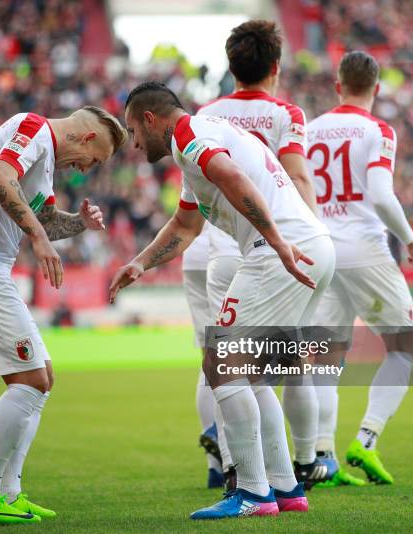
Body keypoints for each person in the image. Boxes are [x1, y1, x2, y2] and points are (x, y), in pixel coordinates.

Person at [111, 82, 334, 519]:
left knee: (221, 363)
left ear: (150, 119)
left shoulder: (188, 135)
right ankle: (286, 488)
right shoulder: (202, 139)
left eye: (133, 131)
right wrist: (140, 263)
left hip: (281, 254)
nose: (134, 144)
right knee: (252, 375)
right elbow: (184, 226)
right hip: (312, 248)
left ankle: (252, 492)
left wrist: (276, 242)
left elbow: (234, 178)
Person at [0, 106, 127, 525]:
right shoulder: (33, 127)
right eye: (94, 160)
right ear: (88, 138)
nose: (86, 168)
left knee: (44, 376)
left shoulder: (42, 162)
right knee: (31, 380)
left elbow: (43, 218)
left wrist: (79, 224)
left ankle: (9, 492)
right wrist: (39, 239)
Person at [198, 19, 338, 489]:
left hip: (221, 252)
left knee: (221, 362)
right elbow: (297, 178)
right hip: (276, 252)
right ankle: (300, 461)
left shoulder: (207, 114)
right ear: (275, 66)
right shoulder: (286, 114)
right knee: (291, 359)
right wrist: (312, 230)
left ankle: (230, 468)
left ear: (231, 66)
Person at [307, 51, 413, 485]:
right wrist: (410, 238)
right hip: (363, 248)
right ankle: (367, 439)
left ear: (339, 86)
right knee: (403, 349)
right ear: (376, 89)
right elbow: (379, 194)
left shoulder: (311, 128)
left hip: (319, 250)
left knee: (325, 359)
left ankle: (321, 456)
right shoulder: (377, 129)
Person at [181, 223, 226, 488]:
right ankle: (223, 436)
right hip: (227, 252)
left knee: (211, 355)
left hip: (194, 252)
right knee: (238, 355)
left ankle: (215, 468)